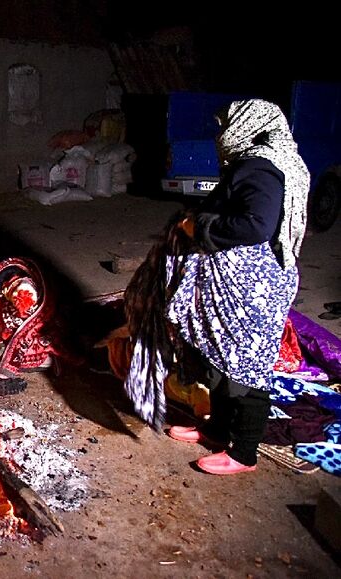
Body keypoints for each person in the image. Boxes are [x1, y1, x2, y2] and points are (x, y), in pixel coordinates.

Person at [124, 99, 310, 475]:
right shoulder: (269, 160)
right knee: (219, 354)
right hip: (238, 283)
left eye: (226, 124)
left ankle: (243, 453)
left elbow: (256, 225)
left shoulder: (261, 168)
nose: (220, 133)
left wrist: (201, 229)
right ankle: (215, 428)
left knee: (246, 368)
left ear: (247, 125)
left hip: (250, 288)